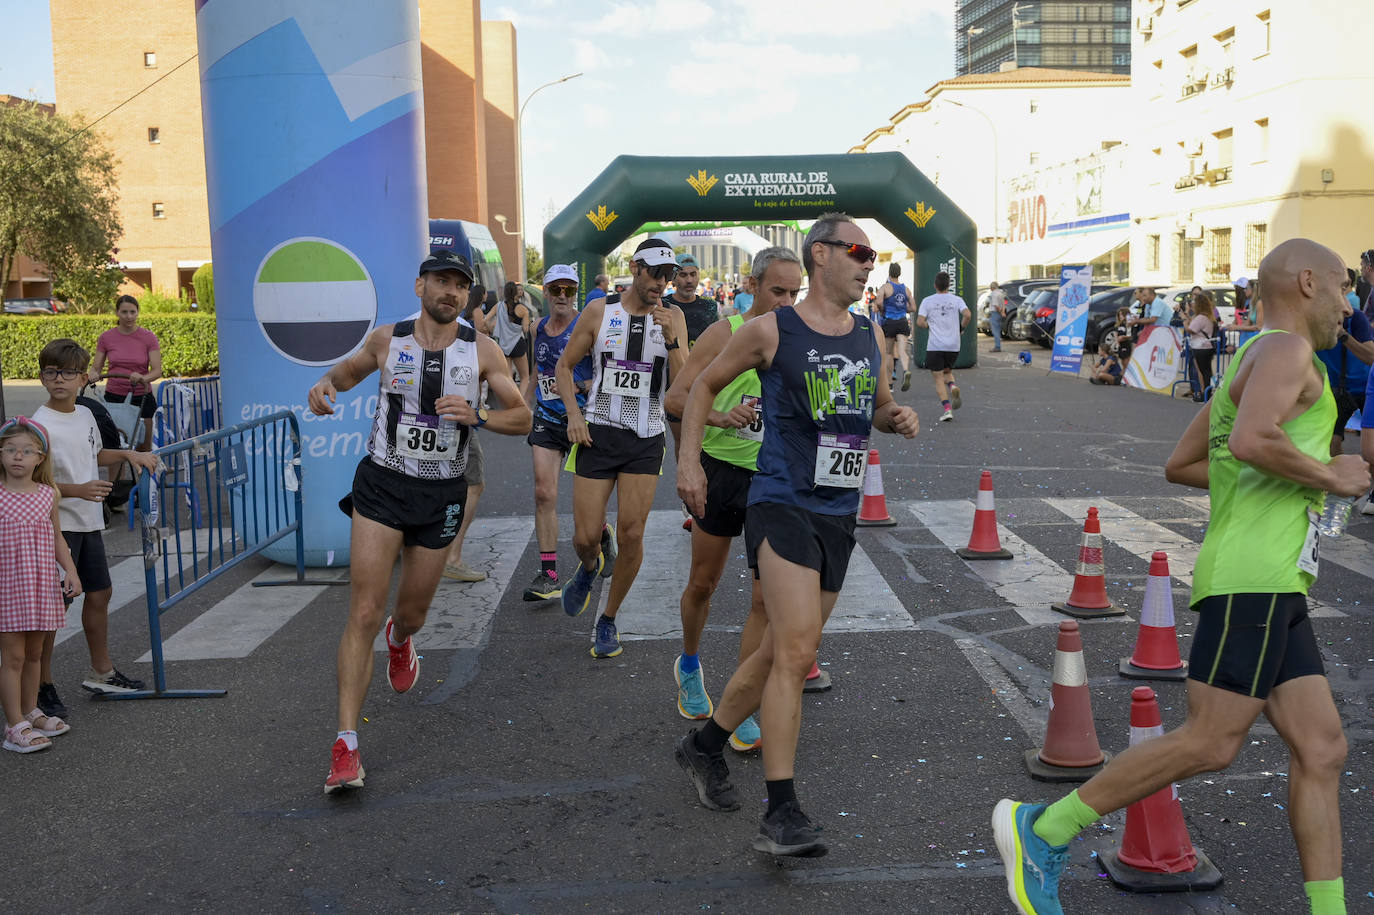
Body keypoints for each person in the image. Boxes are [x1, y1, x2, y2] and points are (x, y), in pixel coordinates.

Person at [994, 238, 1371, 915]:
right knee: (1211, 740)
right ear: (1308, 281)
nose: (1350, 304)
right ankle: (1043, 829)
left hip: (1275, 580)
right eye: (1344, 286)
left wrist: (1284, 487)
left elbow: (1187, 463)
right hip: (1255, 576)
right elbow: (1252, 441)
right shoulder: (1289, 352)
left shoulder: (1251, 358)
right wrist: (1327, 476)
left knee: (1322, 748)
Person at [672, 213, 919, 858]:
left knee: (779, 646)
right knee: (796, 649)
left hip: (839, 509)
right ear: (821, 255)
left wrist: (896, 416)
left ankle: (703, 746)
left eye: (873, 255)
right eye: (859, 251)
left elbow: (877, 406)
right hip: (781, 499)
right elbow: (701, 387)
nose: (868, 263)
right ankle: (781, 812)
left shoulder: (868, 333)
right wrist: (690, 462)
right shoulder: (771, 330)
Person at [308, 251, 531, 793]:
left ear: (467, 295)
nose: (450, 291)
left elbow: (522, 416)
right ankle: (345, 745)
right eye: (441, 281)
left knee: (411, 612)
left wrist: (479, 415)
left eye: (459, 285)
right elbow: (346, 373)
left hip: (441, 494)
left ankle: (401, 636)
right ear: (420, 286)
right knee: (363, 610)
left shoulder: (482, 350)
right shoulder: (388, 340)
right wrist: (324, 386)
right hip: (383, 484)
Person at [662, 246, 803, 750]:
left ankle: (739, 706)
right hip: (722, 471)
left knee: (764, 598)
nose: (786, 302)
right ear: (752, 286)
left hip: (772, 479)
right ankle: (689, 663)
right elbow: (676, 397)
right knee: (704, 583)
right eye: (777, 291)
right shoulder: (726, 333)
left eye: (795, 293)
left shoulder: (799, 337)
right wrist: (720, 418)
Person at [555, 238, 688, 658]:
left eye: (668, 276)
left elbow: (684, 385)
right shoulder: (600, 311)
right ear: (634, 268)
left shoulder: (674, 317)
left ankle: (609, 619)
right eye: (655, 273)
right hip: (597, 432)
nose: (661, 283)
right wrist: (574, 416)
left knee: (633, 533)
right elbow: (564, 366)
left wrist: (671, 341)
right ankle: (590, 565)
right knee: (583, 538)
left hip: (645, 438)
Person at [33, 339, 159, 705]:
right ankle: (40, 684)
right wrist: (78, 490)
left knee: (100, 592)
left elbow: (95, 454)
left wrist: (128, 454)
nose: (59, 379)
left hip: (88, 522)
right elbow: (31, 483)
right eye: (51, 372)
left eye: (68, 372)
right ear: (42, 378)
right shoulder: (39, 425)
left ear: (83, 378)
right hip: (59, 525)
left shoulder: (85, 414)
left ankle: (101, 671)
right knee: (57, 606)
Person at [521, 264, 614, 602]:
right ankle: (549, 575)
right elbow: (538, 369)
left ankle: (602, 532)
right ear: (545, 292)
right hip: (547, 417)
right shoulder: (537, 328)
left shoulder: (587, 325)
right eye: (556, 290)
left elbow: (607, 370)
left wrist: (580, 385)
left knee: (586, 504)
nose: (563, 296)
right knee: (543, 492)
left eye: (569, 290)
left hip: (584, 420)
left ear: (576, 293)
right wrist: (523, 402)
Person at [0, 417, 79, 754]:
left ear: (40, 458)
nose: (18, 456)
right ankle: (14, 725)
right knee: (13, 657)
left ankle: (30, 710)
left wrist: (71, 571)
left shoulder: (48, 494)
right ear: (1, 454)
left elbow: (57, 538)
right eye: (10, 450)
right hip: (8, 587)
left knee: (35, 654)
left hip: (41, 586)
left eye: (26, 451)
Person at [441, 283, 494, 584]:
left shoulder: (409, 328)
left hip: (420, 419)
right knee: (473, 484)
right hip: (457, 421)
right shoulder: (466, 333)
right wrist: (479, 412)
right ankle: (451, 557)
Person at [90, 294, 162, 452]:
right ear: (117, 313)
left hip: (142, 396)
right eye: (124, 312)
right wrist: (93, 374)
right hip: (114, 397)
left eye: (132, 312)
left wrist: (143, 378)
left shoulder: (148, 337)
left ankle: (142, 469)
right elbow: (96, 368)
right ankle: (117, 470)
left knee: (144, 447)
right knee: (115, 445)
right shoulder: (106, 337)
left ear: (137, 312)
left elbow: (157, 371)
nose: (129, 316)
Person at [1316, 292, 1374, 456]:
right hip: (1338, 389)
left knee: (1371, 451)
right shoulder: (1311, 324)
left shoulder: (1355, 318)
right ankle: (1343, 472)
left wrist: (1343, 335)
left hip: (1366, 387)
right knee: (1332, 443)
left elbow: (1371, 357)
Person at [916, 271, 971, 422]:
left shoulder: (927, 301)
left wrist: (928, 325)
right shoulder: (957, 300)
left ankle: (947, 409)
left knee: (938, 379)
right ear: (949, 285)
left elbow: (920, 322)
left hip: (935, 345)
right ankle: (952, 386)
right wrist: (961, 328)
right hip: (953, 345)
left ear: (935, 285)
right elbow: (968, 315)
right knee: (947, 371)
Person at [487, 281, 535, 401]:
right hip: (517, 344)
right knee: (524, 377)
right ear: (515, 293)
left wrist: (492, 330)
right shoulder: (523, 309)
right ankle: (520, 401)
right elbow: (525, 329)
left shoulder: (498, 306)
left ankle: (511, 401)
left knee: (508, 378)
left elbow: (486, 320)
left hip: (503, 345)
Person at [665, 254, 718, 350]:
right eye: (683, 275)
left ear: (698, 276)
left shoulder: (710, 306)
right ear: (673, 277)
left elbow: (717, 341)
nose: (689, 280)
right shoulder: (663, 304)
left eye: (693, 274)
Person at [874, 263, 913, 391]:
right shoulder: (906, 289)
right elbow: (913, 307)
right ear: (899, 273)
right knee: (902, 351)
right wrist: (903, 308)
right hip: (902, 321)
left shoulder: (885, 287)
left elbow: (879, 302)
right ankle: (906, 370)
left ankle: (890, 384)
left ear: (889, 273)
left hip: (889, 322)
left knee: (889, 353)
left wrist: (882, 310)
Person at [1186, 291, 1217, 401]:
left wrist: (1184, 321)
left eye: (1194, 302)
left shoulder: (1200, 317)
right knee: (1206, 371)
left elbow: (1191, 329)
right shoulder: (1208, 316)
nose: (1192, 304)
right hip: (1207, 346)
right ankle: (1207, 392)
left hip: (1200, 347)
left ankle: (1205, 393)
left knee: (1202, 371)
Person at [986, 282, 1007, 352]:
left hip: (995, 313)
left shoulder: (994, 294)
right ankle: (998, 345)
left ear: (992, 287)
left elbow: (995, 305)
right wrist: (1003, 312)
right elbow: (1003, 304)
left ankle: (997, 347)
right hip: (1000, 313)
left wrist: (1000, 312)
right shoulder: (1001, 293)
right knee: (998, 329)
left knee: (995, 331)